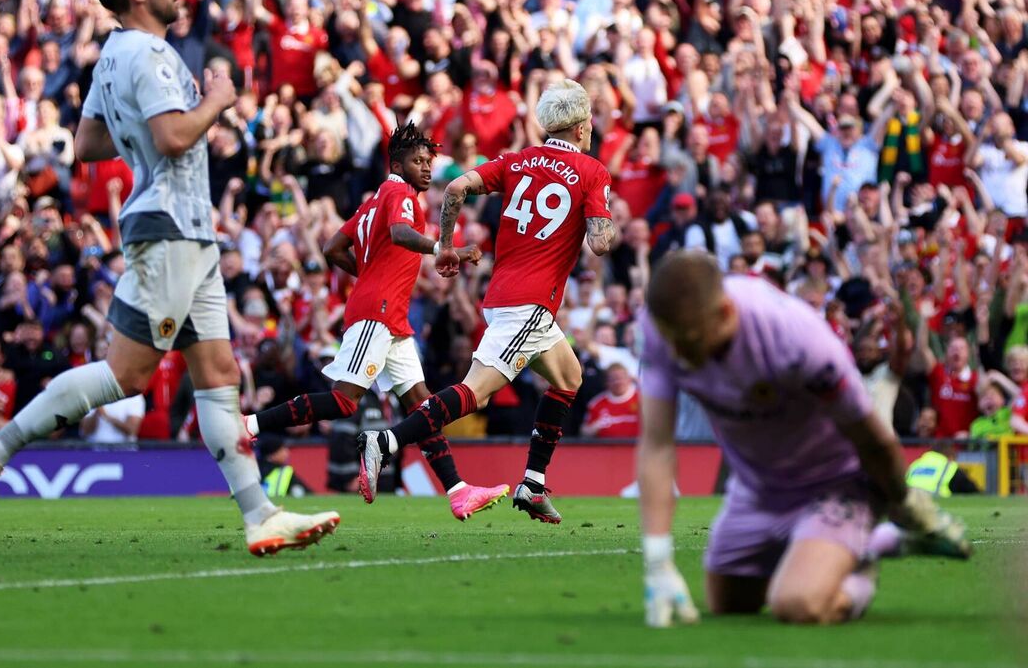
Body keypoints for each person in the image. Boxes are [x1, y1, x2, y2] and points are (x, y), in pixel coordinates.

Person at [0, 0, 339, 556]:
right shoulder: (153, 52)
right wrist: (216, 95)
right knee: (128, 374)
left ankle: (259, 514)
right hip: (169, 228)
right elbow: (173, 134)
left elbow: (85, 142)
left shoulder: (111, 57)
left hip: (188, 231)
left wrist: (141, 140)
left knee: (218, 375)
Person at [636, 251, 970, 628]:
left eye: (691, 341)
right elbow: (657, 444)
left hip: (834, 482)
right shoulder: (662, 329)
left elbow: (870, 434)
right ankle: (875, 542)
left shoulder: (794, 337)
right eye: (671, 341)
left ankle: (860, 570)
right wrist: (658, 561)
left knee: (797, 605)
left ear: (726, 314)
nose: (677, 355)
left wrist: (904, 501)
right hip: (757, 487)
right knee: (728, 603)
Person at [357, 80, 618, 524]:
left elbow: (456, 188)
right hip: (531, 305)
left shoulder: (518, 160)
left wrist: (443, 243)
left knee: (568, 374)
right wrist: (607, 226)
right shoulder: (593, 172)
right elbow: (598, 244)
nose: (592, 129)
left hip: (502, 296)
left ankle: (532, 483)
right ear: (578, 127)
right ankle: (384, 443)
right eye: (590, 121)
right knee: (475, 394)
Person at [242, 122, 508, 521]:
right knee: (343, 400)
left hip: (391, 317)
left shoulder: (371, 203)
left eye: (428, 161)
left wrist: (366, 274)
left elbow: (334, 249)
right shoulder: (399, 193)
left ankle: (457, 490)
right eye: (417, 160)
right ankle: (248, 425)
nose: (425, 168)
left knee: (422, 407)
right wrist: (443, 248)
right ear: (396, 163)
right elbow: (401, 234)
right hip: (378, 312)